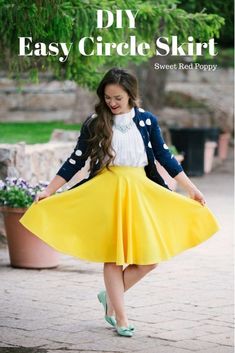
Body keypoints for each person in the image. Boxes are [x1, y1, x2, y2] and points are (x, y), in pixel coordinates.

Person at [20, 67, 219, 337]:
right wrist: (49, 190)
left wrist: (191, 189)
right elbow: (75, 160)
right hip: (106, 192)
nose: (112, 103)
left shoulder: (147, 121)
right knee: (113, 257)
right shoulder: (95, 122)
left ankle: (110, 296)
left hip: (140, 191)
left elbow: (164, 157)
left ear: (131, 96)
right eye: (107, 97)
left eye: (118, 98)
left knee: (149, 260)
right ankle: (121, 317)